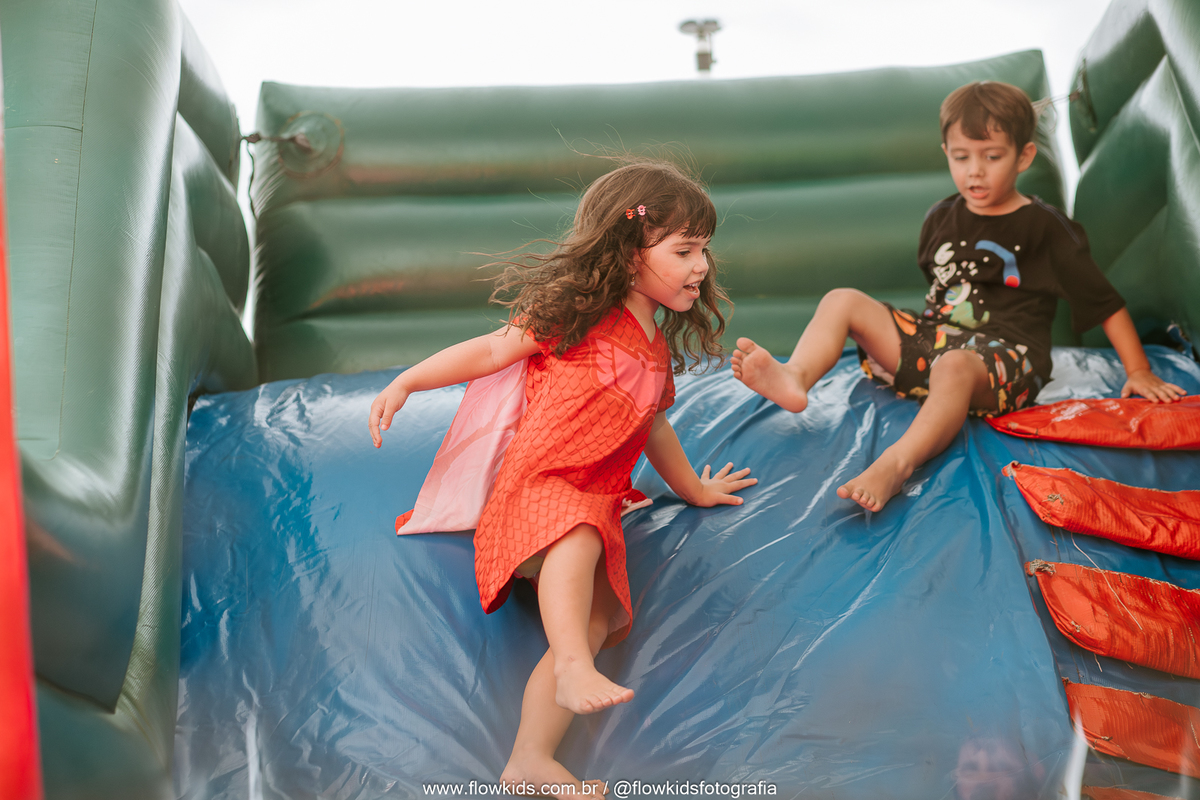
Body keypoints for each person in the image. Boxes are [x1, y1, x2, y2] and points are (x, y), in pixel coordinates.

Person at [368, 160, 756, 797]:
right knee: (576, 535)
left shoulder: (654, 351)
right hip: (537, 491)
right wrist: (409, 380)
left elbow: (654, 427)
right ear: (629, 253)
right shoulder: (578, 317)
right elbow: (493, 349)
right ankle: (574, 667)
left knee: (599, 618)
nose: (702, 266)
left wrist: (694, 489)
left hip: (594, 506)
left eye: (705, 250)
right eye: (685, 251)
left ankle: (530, 760)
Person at [732, 80, 1184, 514]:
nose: (975, 170)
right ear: (946, 152)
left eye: (992, 156)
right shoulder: (941, 216)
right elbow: (939, 295)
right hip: (937, 344)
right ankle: (796, 377)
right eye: (961, 156)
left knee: (954, 364)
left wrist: (1138, 370)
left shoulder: (1046, 228)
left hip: (1005, 361)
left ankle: (897, 463)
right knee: (842, 298)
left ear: (1024, 156)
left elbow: (1105, 302)